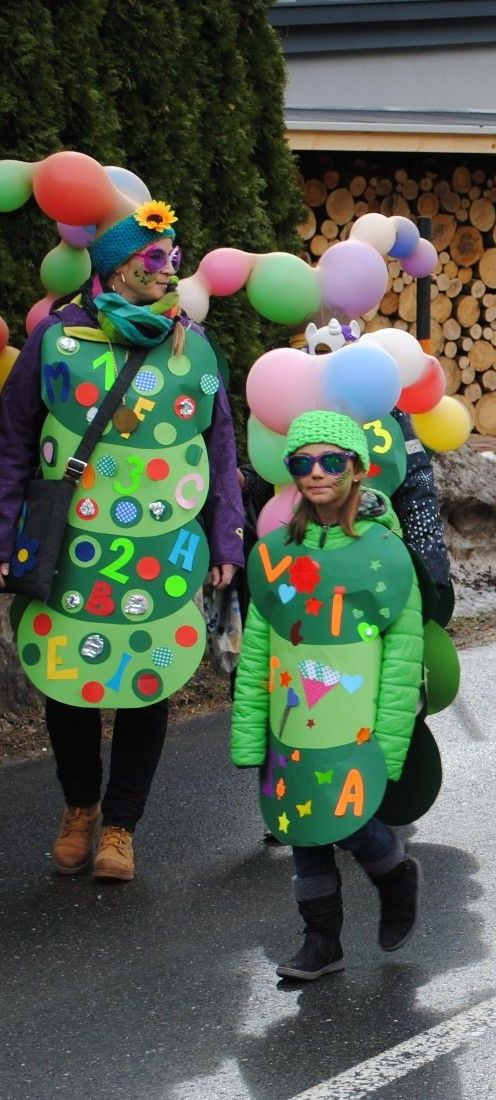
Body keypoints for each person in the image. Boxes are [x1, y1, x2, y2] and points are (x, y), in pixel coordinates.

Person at [0, 198, 244, 882]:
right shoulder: (58, 340)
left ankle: (121, 827)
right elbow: (14, 442)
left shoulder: (189, 346)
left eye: (172, 259)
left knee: (148, 676)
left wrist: (226, 536)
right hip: (68, 541)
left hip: (157, 546)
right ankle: (79, 808)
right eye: (152, 258)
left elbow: (220, 446)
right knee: (68, 675)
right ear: (112, 268)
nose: (167, 270)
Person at [231, 411, 424, 980]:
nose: (316, 473)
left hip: (355, 714)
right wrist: (249, 733)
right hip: (292, 716)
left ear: (358, 470)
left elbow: (402, 653)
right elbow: (259, 647)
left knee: (348, 819)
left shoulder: (384, 554)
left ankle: (392, 872)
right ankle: (321, 940)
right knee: (299, 822)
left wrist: (388, 743)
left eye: (331, 461)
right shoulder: (276, 554)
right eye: (302, 463)